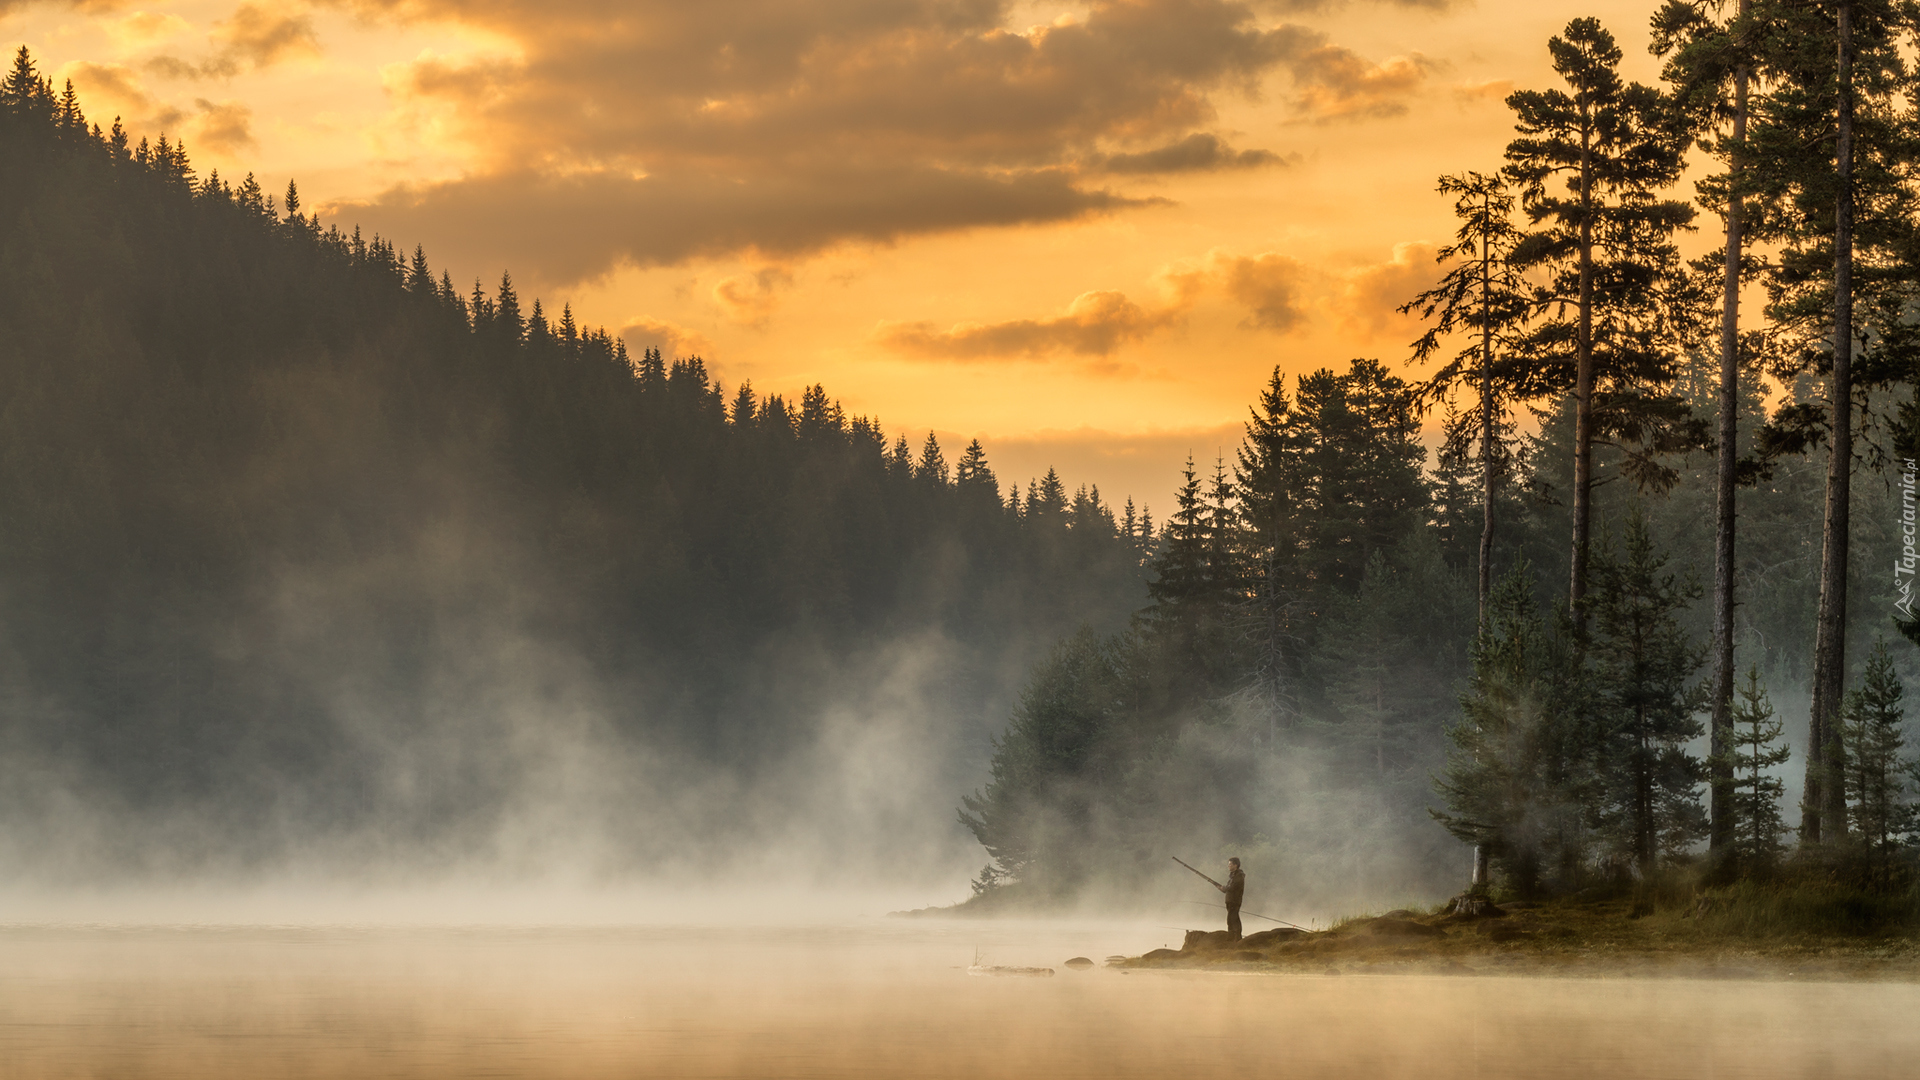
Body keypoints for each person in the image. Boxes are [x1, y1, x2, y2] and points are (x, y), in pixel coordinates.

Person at [1218, 857, 1245, 940]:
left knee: (1233, 919)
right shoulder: (1233, 876)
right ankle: (1233, 937)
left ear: (1235, 865)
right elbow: (1228, 889)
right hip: (1230, 901)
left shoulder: (1239, 875)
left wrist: (1224, 888)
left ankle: (1236, 938)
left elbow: (1232, 887)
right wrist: (1221, 888)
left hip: (1235, 901)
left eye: (1230, 864)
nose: (1228, 866)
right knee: (1231, 919)